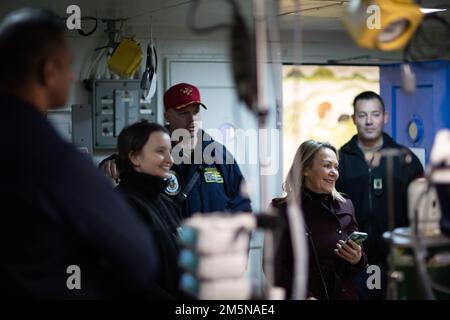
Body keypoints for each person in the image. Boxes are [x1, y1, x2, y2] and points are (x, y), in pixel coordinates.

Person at [0, 7, 159, 299]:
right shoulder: (50, 155)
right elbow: (139, 258)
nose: (73, 75)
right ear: (48, 71)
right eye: (68, 65)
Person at [101, 83, 252, 218]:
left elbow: (242, 206)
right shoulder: (151, 150)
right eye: (183, 112)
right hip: (169, 246)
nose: (192, 119)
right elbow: (118, 164)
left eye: (196, 111)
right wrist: (110, 164)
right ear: (168, 116)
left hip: (212, 246)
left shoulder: (220, 155)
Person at [335, 91, 424, 300]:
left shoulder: (405, 158)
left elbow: (423, 207)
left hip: (400, 256)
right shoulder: (340, 159)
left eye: (374, 114)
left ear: (385, 117)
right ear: (354, 118)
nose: (368, 121)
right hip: (355, 258)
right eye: (362, 115)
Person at [270, 140, 368, 300]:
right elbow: (274, 267)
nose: (334, 172)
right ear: (306, 169)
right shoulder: (282, 210)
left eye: (336, 167)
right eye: (327, 165)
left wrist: (358, 259)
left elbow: (360, 261)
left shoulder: (345, 204)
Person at [115, 121, 182, 299]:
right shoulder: (121, 205)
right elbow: (129, 278)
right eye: (160, 152)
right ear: (135, 157)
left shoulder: (167, 204)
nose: (170, 160)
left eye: (170, 151)